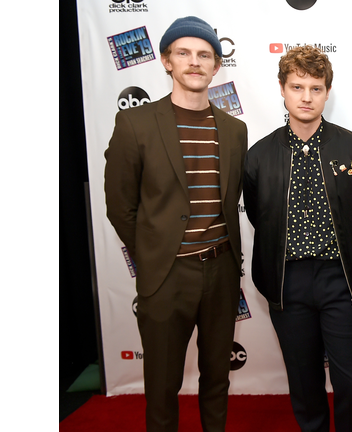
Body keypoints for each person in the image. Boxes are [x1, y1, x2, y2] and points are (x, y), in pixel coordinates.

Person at [104, 16, 248, 432]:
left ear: (217, 65)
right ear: (167, 61)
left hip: (221, 271)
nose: (194, 62)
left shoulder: (235, 130)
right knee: (163, 386)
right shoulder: (136, 124)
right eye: (183, 53)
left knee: (217, 379)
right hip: (166, 276)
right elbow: (121, 207)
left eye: (204, 54)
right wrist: (155, 255)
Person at [243, 45, 352, 432]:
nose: (306, 97)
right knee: (304, 383)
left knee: (351, 380)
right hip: (288, 283)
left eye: (316, 88)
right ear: (283, 90)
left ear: (327, 92)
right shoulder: (258, 156)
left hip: (342, 280)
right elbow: (259, 216)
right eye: (297, 86)